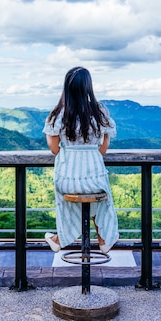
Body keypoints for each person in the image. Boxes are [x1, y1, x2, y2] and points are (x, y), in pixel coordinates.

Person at [43, 66, 119, 254]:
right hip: (96, 179)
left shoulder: (58, 113)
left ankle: (60, 238)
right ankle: (104, 239)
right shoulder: (99, 111)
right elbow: (103, 149)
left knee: (70, 197)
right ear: (88, 87)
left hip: (67, 180)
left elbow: (54, 149)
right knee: (98, 197)